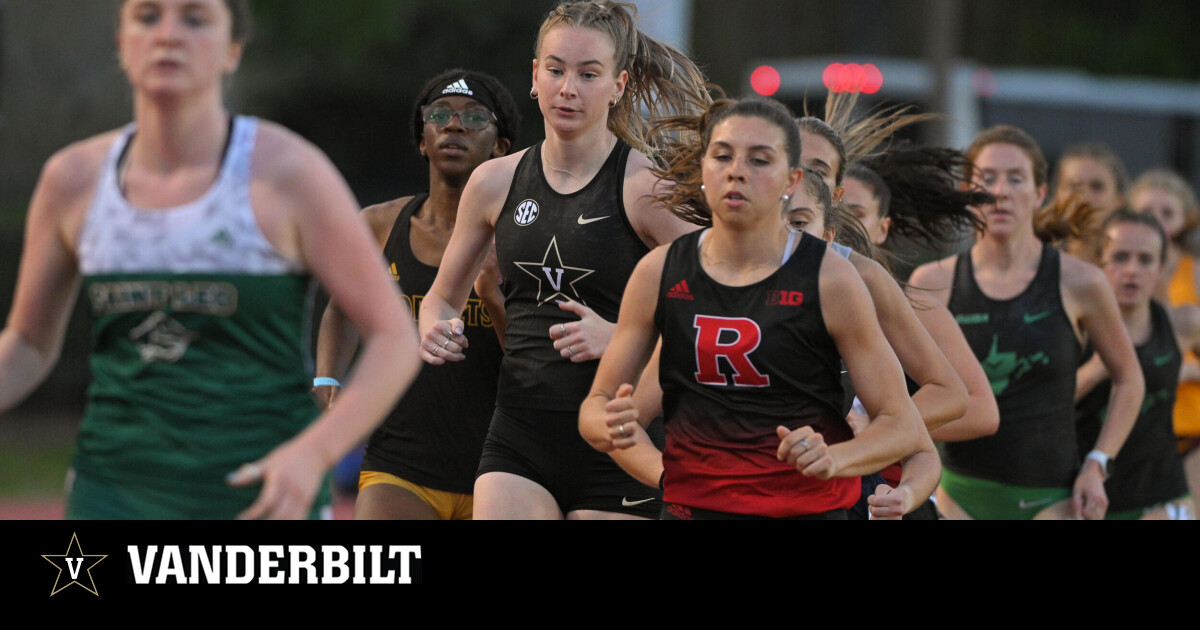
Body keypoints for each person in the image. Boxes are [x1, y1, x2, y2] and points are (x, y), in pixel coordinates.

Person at [0, 0, 419, 519]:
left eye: (194, 18)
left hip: (261, 496)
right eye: (148, 16)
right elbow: (26, 345)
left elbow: (394, 337)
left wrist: (316, 452)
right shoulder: (72, 182)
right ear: (121, 43)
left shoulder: (289, 173)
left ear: (233, 50)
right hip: (113, 494)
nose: (168, 35)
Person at [417, 0, 710, 520]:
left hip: (621, 439)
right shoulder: (494, 182)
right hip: (519, 436)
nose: (567, 88)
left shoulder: (645, 190)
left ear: (618, 85)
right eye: (555, 70)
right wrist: (435, 325)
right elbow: (442, 296)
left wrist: (623, 336)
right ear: (535, 75)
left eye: (588, 74)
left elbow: (716, 306)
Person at [579, 97, 922, 519]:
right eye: (722, 155)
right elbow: (595, 410)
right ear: (704, 170)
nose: (736, 170)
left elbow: (901, 424)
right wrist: (649, 460)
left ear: (791, 180)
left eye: (760, 160)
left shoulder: (831, 279)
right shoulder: (660, 271)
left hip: (803, 509)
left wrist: (839, 459)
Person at [313, 70, 519, 520]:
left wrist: (493, 297)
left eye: (474, 117)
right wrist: (327, 381)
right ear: (423, 140)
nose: (454, 125)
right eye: (440, 115)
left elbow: (533, 355)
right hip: (399, 463)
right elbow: (340, 310)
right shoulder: (380, 225)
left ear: (500, 148)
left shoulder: (522, 238)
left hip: (501, 469)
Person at [910, 125, 1144, 520]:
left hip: (1049, 499)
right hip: (956, 494)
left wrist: (1097, 463)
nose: (1000, 191)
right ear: (968, 193)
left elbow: (1129, 379)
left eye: (1016, 178)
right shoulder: (932, 283)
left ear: (1040, 193)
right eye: (987, 179)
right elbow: (911, 391)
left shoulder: (1080, 281)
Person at [1075, 210, 1199, 519]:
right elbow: (1040, 405)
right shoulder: (1075, 329)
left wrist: (1190, 371)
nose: (1132, 270)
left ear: (1161, 267)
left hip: (1164, 496)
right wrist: (1093, 372)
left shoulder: (1181, 324)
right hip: (1090, 498)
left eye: (1145, 260)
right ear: (1098, 262)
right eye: (1119, 257)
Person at [1129, 169, 1200, 500]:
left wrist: (1187, 370)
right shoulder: (1117, 272)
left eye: (1167, 212)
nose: (1156, 220)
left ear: (1185, 219)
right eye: (1147, 211)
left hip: (1191, 427)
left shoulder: (1194, 273)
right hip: (1134, 427)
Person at [1052, 142, 1130, 264]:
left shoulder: (1134, 269)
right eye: (1074, 186)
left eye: (1097, 187)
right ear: (1057, 196)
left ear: (1119, 200)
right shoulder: (1034, 264)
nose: (1084, 198)